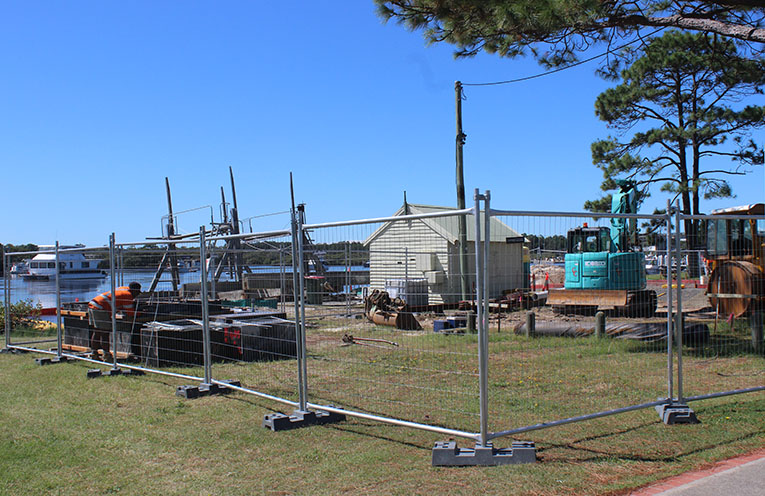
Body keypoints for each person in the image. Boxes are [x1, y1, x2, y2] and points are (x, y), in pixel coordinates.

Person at [88, 282, 141, 361]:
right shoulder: (127, 295)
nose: (137, 295)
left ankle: (94, 353)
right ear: (134, 290)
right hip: (101, 308)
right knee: (105, 332)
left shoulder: (123, 289)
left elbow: (119, 303)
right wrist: (141, 312)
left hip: (93, 304)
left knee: (97, 331)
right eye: (137, 292)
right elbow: (130, 313)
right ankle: (107, 355)